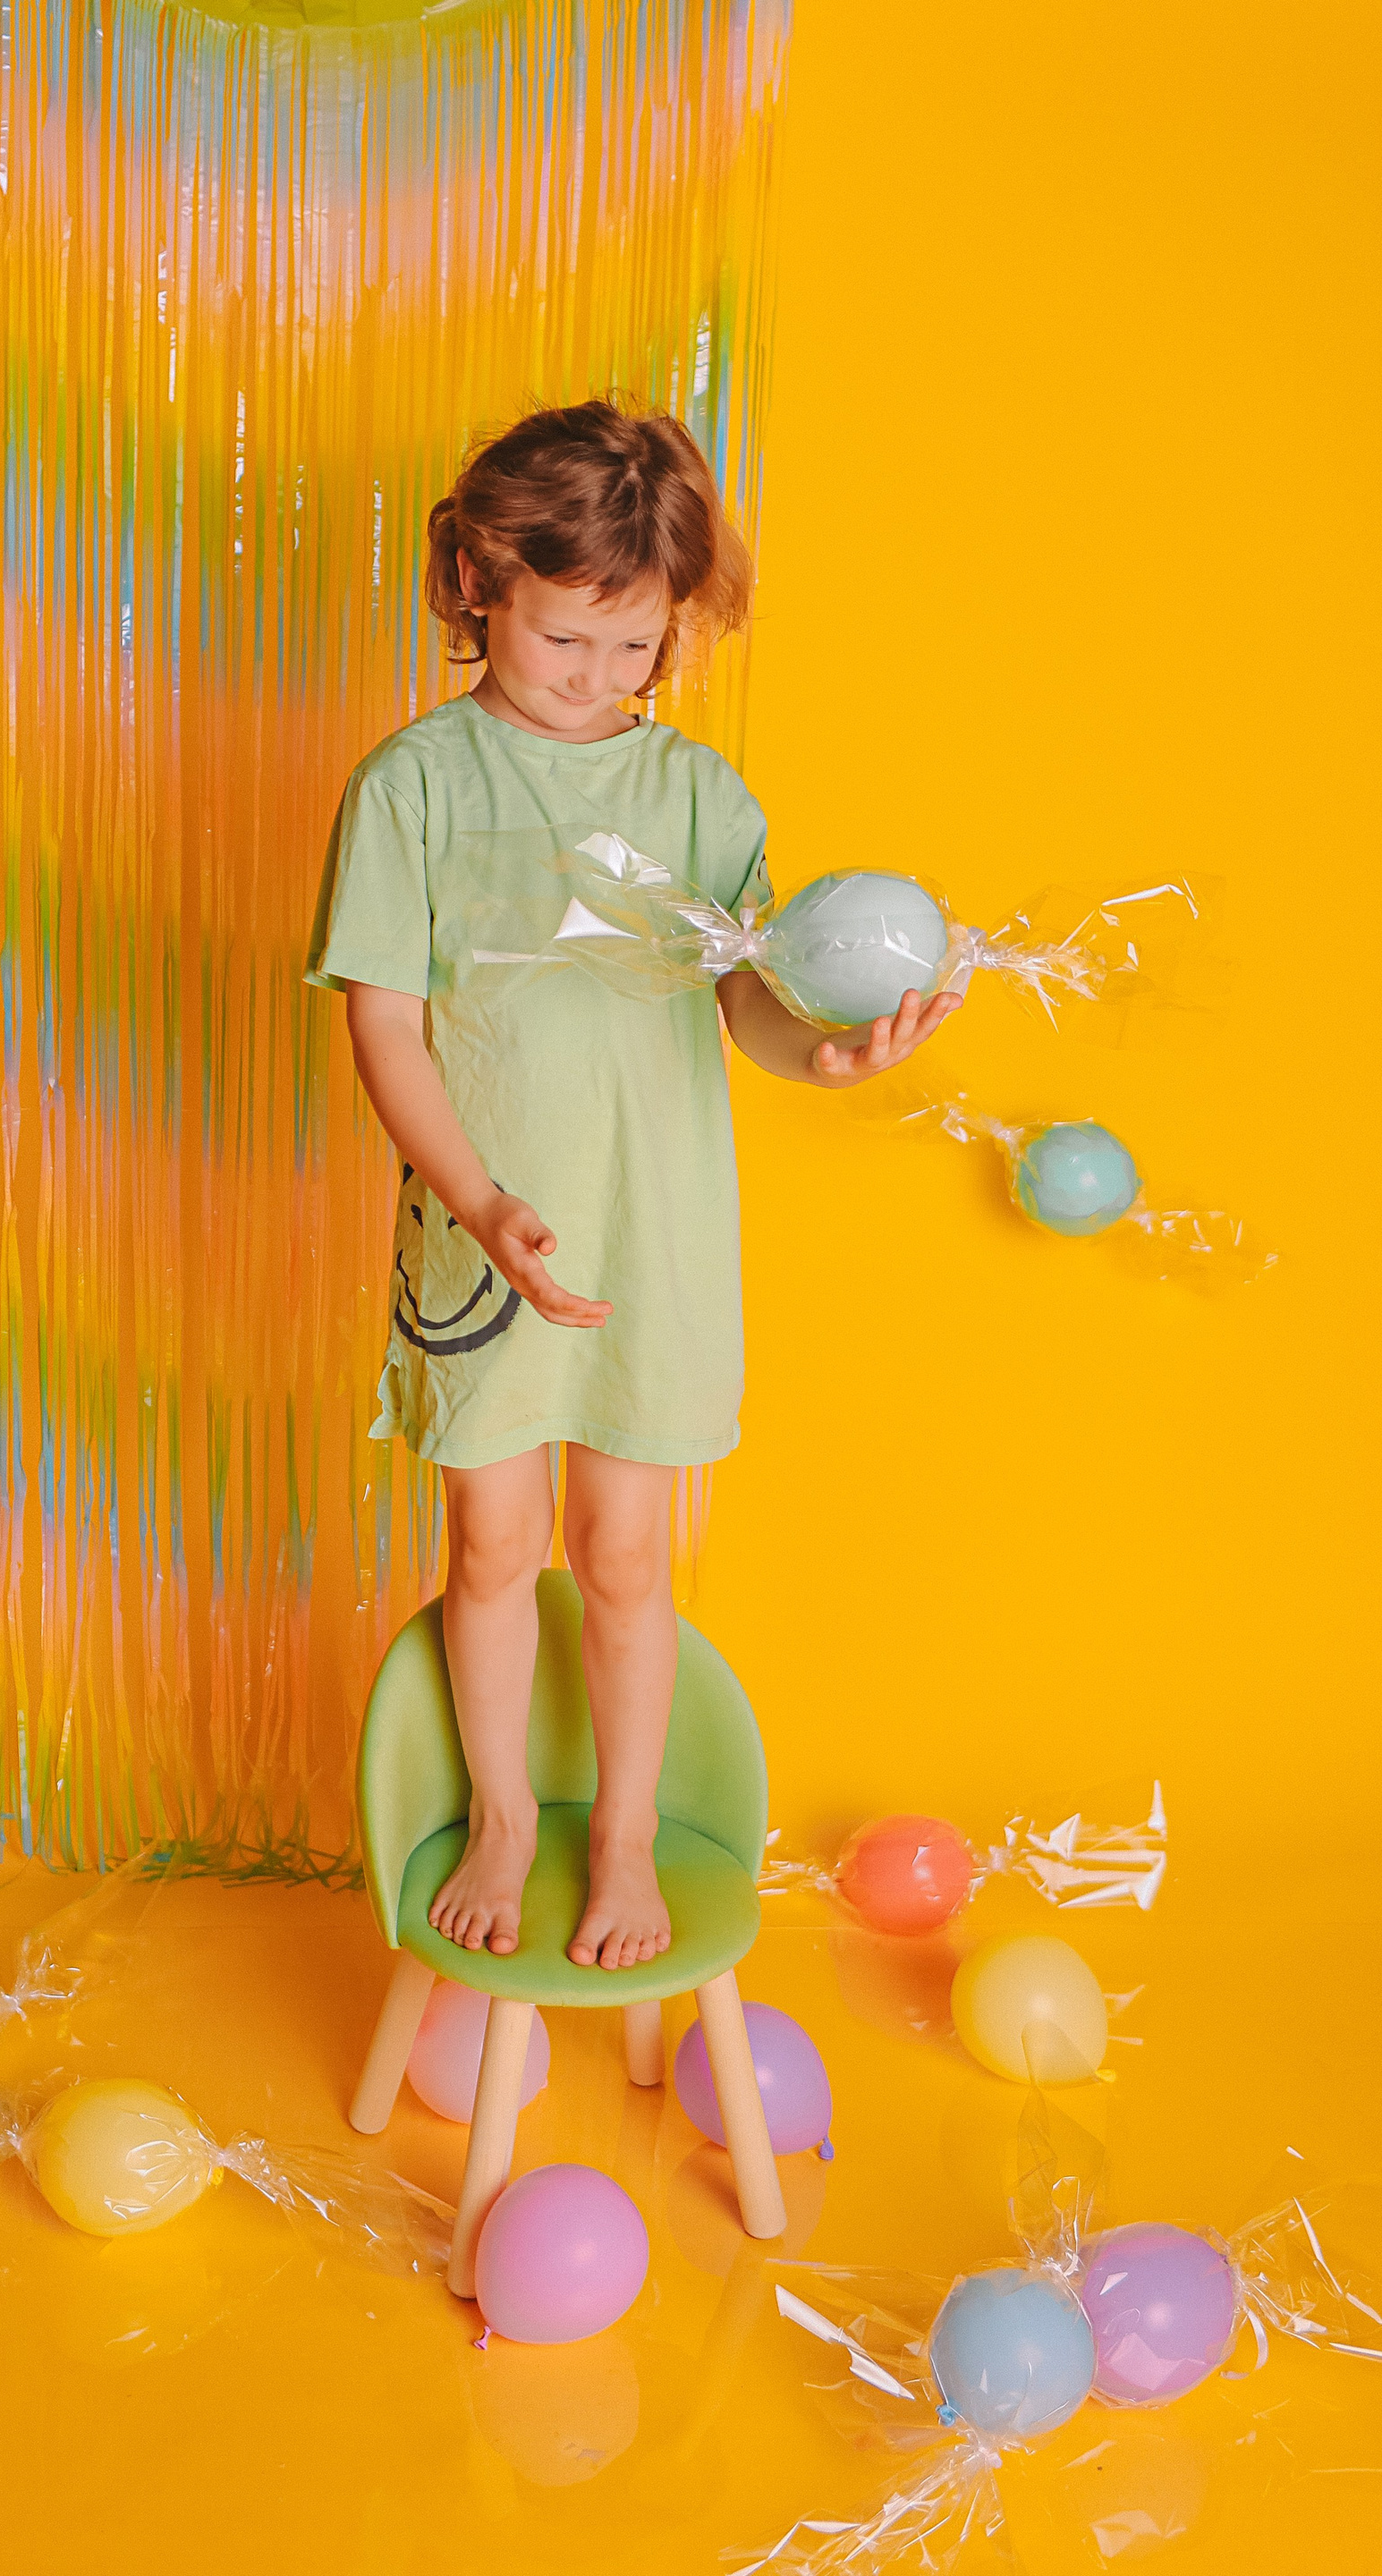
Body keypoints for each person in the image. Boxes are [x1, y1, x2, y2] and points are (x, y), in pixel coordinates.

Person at [306, 400, 956, 1972]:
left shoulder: (701, 801)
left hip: (649, 1238)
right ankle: (502, 1816)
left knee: (622, 1555)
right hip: (485, 1238)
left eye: (636, 647)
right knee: (490, 1546)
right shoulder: (412, 788)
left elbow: (746, 1005)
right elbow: (385, 1028)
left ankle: (621, 1836)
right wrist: (480, 1202)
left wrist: (828, 1057)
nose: (597, 677)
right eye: (563, 638)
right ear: (480, 582)